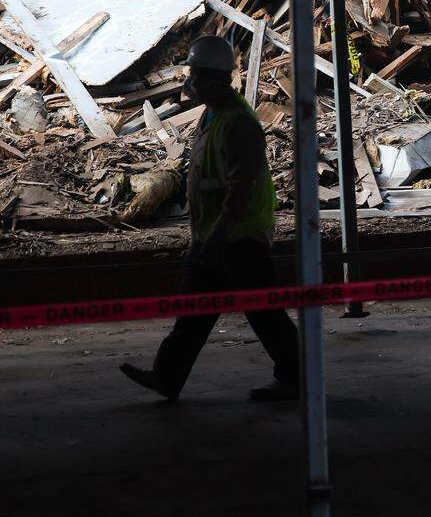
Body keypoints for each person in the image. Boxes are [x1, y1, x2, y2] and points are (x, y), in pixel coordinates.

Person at [120, 35, 300, 403]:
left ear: (217, 79)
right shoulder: (210, 116)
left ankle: (297, 377)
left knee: (264, 313)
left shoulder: (240, 124)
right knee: (193, 312)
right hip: (213, 235)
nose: (193, 84)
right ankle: (167, 377)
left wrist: (217, 237)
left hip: (239, 236)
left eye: (198, 77)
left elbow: (241, 189)